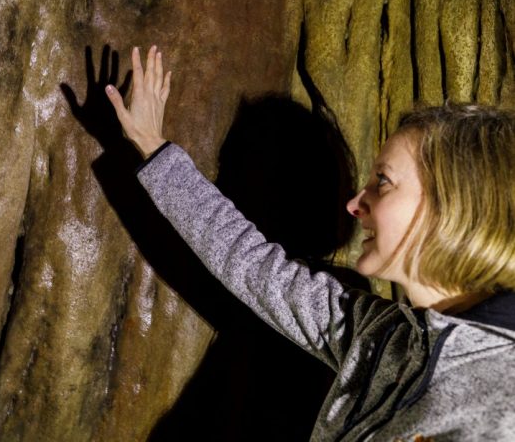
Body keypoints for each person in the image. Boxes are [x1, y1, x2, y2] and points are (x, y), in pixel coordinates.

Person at [104, 45, 515, 440]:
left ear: (451, 205)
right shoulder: (382, 337)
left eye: (383, 182)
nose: (355, 204)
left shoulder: (502, 398)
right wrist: (152, 145)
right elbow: (251, 264)